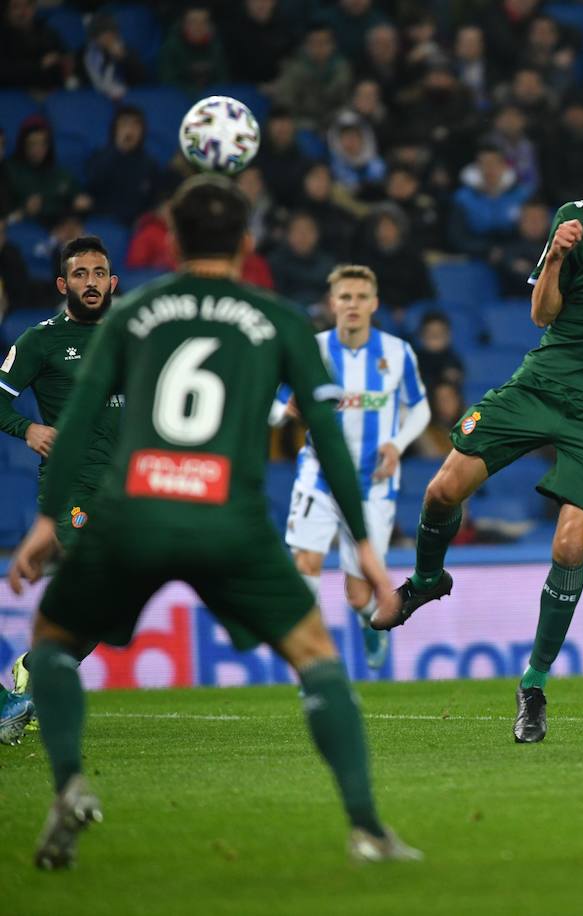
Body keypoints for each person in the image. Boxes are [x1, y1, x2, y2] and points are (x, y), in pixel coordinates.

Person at [6, 174, 418, 865]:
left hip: (132, 512)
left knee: (49, 641)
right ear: (248, 244)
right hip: (229, 519)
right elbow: (321, 433)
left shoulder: (133, 314)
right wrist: (369, 551)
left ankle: (69, 782)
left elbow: (74, 422)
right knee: (316, 659)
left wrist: (48, 521)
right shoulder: (280, 318)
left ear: (171, 241)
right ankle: (368, 828)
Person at [373, 111, 583, 745]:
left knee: (569, 547)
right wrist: (555, 259)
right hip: (541, 382)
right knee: (442, 489)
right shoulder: (574, 216)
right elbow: (540, 313)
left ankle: (533, 686)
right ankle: (426, 580)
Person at [270, 264, 429, 671]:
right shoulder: (313, 349)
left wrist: (397, 443)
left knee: (359, 594)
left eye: (360, 297)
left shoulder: (397, 352)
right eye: (345, 297)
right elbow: (272, 405)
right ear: (332, 303)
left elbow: (421, 408)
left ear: (374, 303)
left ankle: (366, 622)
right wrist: (282, 410)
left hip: (374, 483)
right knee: (305, 560)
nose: (353, 305)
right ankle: (311, 655)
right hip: (319, 476)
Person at [0, 236, 121, 741]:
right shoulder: (41, 340)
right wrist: (26, 428)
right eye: (80, 274)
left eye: (98, 274)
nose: (90, 283)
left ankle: (33, 669)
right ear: (62, 283)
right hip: (73, 489)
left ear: (112, 282)